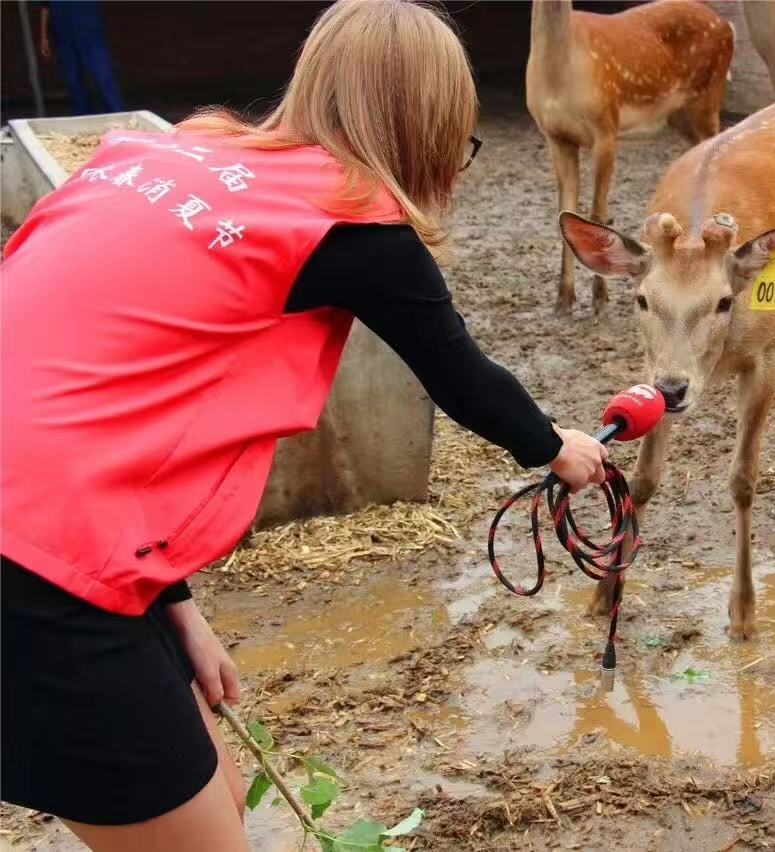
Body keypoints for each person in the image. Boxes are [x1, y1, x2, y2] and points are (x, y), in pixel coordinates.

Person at [0, 1, 608, 848]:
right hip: (38, 565)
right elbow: (464, 379)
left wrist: (173, 604)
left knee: (215, 783)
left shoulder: (162, 149)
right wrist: (557, 448)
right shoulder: (353, 224)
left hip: (57, 527)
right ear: (428, 130)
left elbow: (84, 396)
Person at [39, 0, 126, 115]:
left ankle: (118, 115)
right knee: (73, 80)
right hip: (62, 32)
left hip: (89, 28)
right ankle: (82, 117)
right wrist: (43, 36)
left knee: (103, 77)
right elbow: (45, 6)